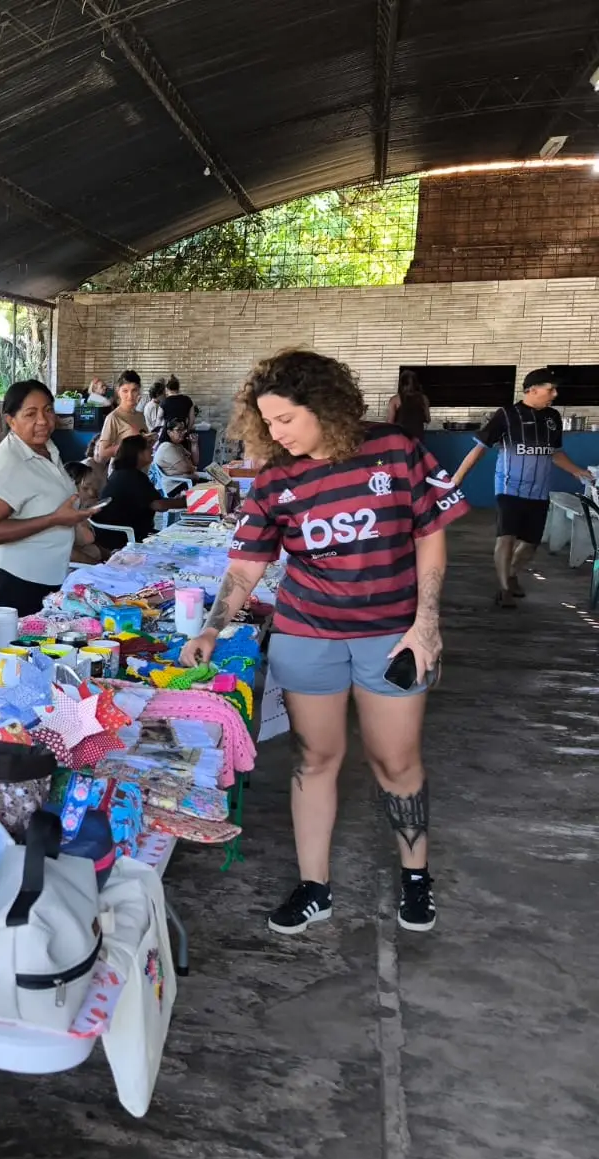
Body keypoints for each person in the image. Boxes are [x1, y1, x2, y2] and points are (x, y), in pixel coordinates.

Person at [181, 349, 469, 938]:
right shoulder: (274, 479)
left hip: (392, 636)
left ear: (324, 407)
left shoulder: (394, 449)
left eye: (285, 419)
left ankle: (416, 876)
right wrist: (214, 625)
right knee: (315, 759)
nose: (275, 433)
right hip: (307, 634)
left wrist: (427, 623)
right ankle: (315, 887)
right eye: (266, 422)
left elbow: (429, 540)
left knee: (397, 760)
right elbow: (245, 568)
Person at [450, 368, 592, 608]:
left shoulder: (553, 418)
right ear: (532, 390)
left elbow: (554, 453)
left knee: (530, 544)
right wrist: (456, 480)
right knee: (506, 537)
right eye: (550, 389)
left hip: (539, 491)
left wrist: (577, 471)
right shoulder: (506, 415)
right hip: (509, 488)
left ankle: (512, 572)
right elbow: (480, 448)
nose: (555, 394)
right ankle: (504, 588)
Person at [0, 380, 97, 614]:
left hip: (45, 575)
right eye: (30, 414)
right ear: (11, 421)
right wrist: (54, 519)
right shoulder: (10, 462)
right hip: (14, 580)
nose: (42, 420)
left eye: (48, 410)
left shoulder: (46, 447)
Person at [94, 436, 186, 552]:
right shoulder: (132, 476)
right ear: (138, 453)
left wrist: (176, 501)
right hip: (124, 536)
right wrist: (187, 502)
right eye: (148, 448)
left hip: (117, 533)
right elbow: (159, 505)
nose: (152, 450)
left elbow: (155, 503)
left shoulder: (122, 473)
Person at [94, 369, 148, 469]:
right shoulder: (113, 418)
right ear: (118, 391)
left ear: (139, 391)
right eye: (125, 391)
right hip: (123, 473)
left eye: (134, 390)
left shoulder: (140, 416)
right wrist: (129, 447)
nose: (130, 396)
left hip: (141, 472)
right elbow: (102, 452)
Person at [153, 395, 202, 478]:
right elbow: (186, 468)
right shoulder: (167, 447)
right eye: (179, 430)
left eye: (184, 429)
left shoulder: (178, 445)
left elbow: (195, 462)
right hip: (177, 486)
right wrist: (191, 468)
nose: (183, 432)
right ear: (169, 432)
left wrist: (194, 444)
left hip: (188, 482)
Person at [387, 370, 430, 441]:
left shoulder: (395, 399)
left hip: (400, 440)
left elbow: (390, 423)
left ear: (401, 383)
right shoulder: (423, 398)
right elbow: (428, 419)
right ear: (416, 383)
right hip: (418, 440)